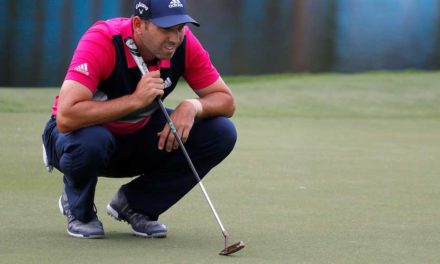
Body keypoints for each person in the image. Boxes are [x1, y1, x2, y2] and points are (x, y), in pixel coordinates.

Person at [41, 0, 237, 239]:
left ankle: (136, 205)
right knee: (92, 141)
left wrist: (193, 106)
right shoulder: (103, 40)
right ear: (138, 24)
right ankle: (79, 209)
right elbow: (66, 116)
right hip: (76, 139)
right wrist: (135, 100)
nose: (175, 38)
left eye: (180, 28)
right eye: (166, 29)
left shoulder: (182, 46)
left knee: (221, 132)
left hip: (136, 135)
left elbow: (226, 100)